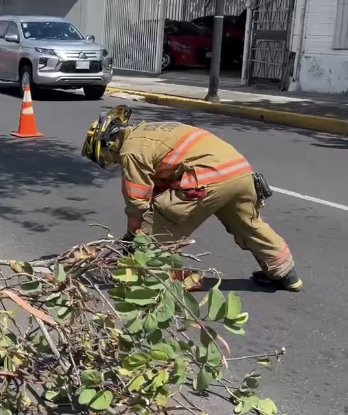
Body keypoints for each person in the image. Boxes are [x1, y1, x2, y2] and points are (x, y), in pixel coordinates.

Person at [81, 106, 302, 292]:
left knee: (158, 231)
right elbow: (164, 178)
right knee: (249, 225)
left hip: (204, 179)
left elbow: (137, 203)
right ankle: (284, 272)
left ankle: (171, 280)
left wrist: (133, 237)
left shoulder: (131, 151)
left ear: (109, 144)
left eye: (105, 157)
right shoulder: (152, 132)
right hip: (241, 173)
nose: (112, 162)